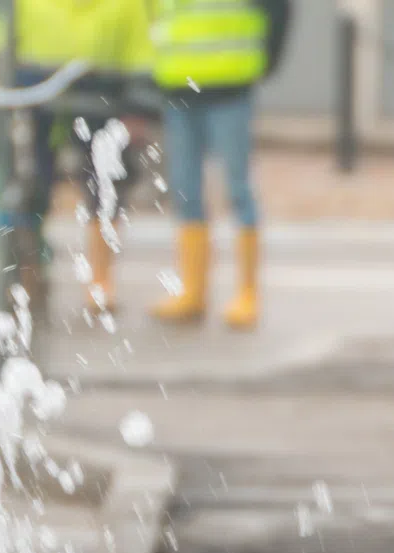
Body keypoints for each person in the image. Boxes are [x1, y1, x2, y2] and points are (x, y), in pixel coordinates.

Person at [0, 0, 156, 316]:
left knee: (105, 189)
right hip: (36, 103)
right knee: (28, 184)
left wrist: (137, 109)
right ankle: (26, 272)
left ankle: (100, 281)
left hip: (102, 104)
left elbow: (142, 56)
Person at [148, 0, 292, 330]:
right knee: (185, 190)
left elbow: (279, 9)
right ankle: (193, 290)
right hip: (177, 81)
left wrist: (267, 62)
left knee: (238, 188)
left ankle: (247, 292)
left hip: (230, 83)